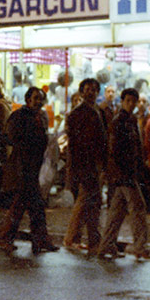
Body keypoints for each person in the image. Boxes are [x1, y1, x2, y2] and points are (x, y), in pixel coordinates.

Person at [0, 86, 57, 255]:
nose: (38, 102)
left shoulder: (40, 117)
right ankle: (8, 238)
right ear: (28, 99)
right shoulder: (19, 117)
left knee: (32, 205)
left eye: (41, 99)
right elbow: (11, 138)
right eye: (36, 98)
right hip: (22, 167)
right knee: (23, 204)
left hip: (33, 167)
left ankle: (39, 239)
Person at [97, 88, 150, 261]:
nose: (132, 104)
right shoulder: (119, 120)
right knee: (138, 207)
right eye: (128, 100)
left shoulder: (131, 119)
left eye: (134, 101)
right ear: (122, 101)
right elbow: (114, 149)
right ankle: (140, 246)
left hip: (126, 173)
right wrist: (120, 171)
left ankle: (106, 245)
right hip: (124, 173)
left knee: (117, 211)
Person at [62, 78, 107, 253]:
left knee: (91, 202)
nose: (92, 92)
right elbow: (75, 145)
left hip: (94, 164)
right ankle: (74, 237)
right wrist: (74, 169)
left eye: (95, 89)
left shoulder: (99, 112)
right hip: (84, 164)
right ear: (81, 92)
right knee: (86, 201)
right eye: (88, 89)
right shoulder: (77, 114)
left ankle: (91, 239)